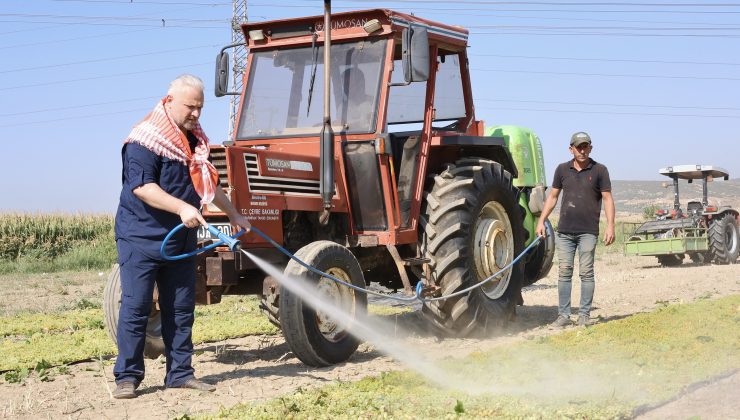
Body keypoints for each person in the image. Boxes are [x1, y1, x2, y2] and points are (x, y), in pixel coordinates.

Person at [112, 74, 251, 399]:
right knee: (137, 306)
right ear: (170, 101)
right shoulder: (144, 140)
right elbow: (143, 188)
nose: (196, 114)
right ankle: (127, 377)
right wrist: (182, 209)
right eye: (191, 107)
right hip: (141, 238)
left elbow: (207, 185)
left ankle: (180, 374)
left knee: (181, 307)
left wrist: (233, 213)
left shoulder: (191, 141)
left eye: (200, 108)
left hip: (180, 240)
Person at [535, 131, 615, 328]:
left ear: (590, 148)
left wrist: (611, 225)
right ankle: (564, 315)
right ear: (571, 149)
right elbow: (552, 197)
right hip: (564, 232)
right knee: (564, 272)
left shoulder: (600, 170)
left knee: (586, 273)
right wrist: (541, 221)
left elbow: (607, 199)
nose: (582, 150)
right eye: (578, 147)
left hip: (588, 231)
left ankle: (584, 316)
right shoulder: (562, 170)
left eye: (585, 146)